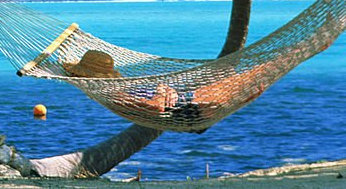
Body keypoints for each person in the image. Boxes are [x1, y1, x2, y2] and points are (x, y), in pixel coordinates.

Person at [61, 48, 278, 127]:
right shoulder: (115, 97)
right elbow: (155, 108)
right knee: (253, 76)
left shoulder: (115, 92)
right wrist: (162, 90)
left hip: (189, 101)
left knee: (249, 78)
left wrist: (165, 91)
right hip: (190, 108)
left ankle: (289, 53)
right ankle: (293, 50)